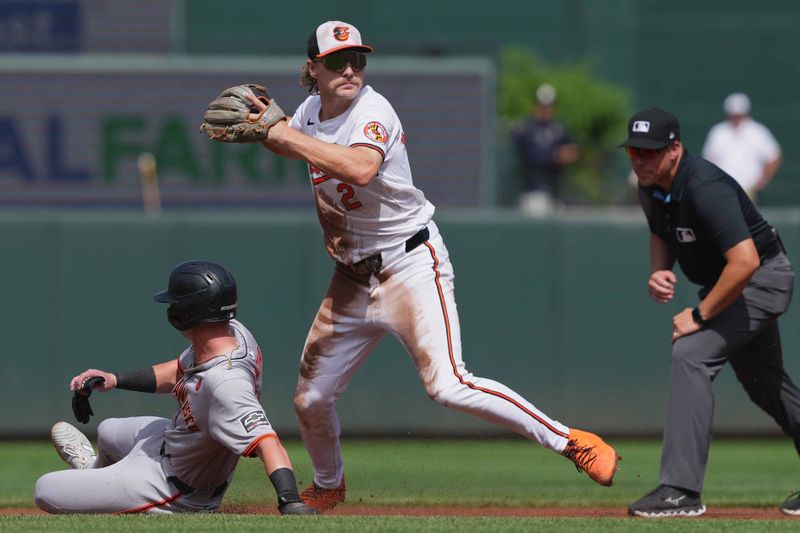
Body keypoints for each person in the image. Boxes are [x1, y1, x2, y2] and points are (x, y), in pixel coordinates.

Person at [244, 20, 619, 512]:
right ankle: (329, 486)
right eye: (337, 61)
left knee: (448, 384)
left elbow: (359, 167)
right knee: (310, 400)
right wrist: (269, 132)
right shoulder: (309, 113)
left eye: (358, 58)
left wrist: (285, 137)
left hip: (409, 264)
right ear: (313, 68)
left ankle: (570, 440)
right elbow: (286, 136)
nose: (351, 68)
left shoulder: (374, 109)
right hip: (351, 277)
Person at [621, 108, 800, 518]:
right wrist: (659, 272)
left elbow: (745, 262)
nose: (641, 159)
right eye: (635, 151)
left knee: (692, 353)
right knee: (765, 384)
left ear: (675, 150)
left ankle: (681, 490)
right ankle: (680, 489)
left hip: (760, 280)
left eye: (651, 151)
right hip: (733, 285)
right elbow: (660, 233)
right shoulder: (649, 186)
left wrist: (699, 317)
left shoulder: (704, 186)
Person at [34, 260, 316, 515]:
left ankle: (102, 480)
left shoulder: (226, 384)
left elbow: (267, 441)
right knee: (107, 430)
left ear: (188, 312)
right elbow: (177, 371)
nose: (171, 309)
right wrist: (114, 379)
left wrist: (289, 500)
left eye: (175, 303)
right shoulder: (231, 332)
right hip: (171, 441)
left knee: (45, 489)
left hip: (172, 488)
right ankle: (95, 471)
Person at [510, 83, 579, 215]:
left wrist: (568, 154)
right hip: (533, 191)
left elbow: (573, 149)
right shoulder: (527, 128)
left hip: (556, 191)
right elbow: (532, 157)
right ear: (536, 105)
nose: (546, 109)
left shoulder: (559, 128)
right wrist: (556, 156)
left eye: (549, 105)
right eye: (542, 105)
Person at [701, 92, 782, 201]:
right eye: (734, 115)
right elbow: (709, 159)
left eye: (740, 114)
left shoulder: (758, 131)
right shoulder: (718, 132)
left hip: (748, 190)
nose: (737, 118)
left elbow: (774, 157)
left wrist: (763, 180)